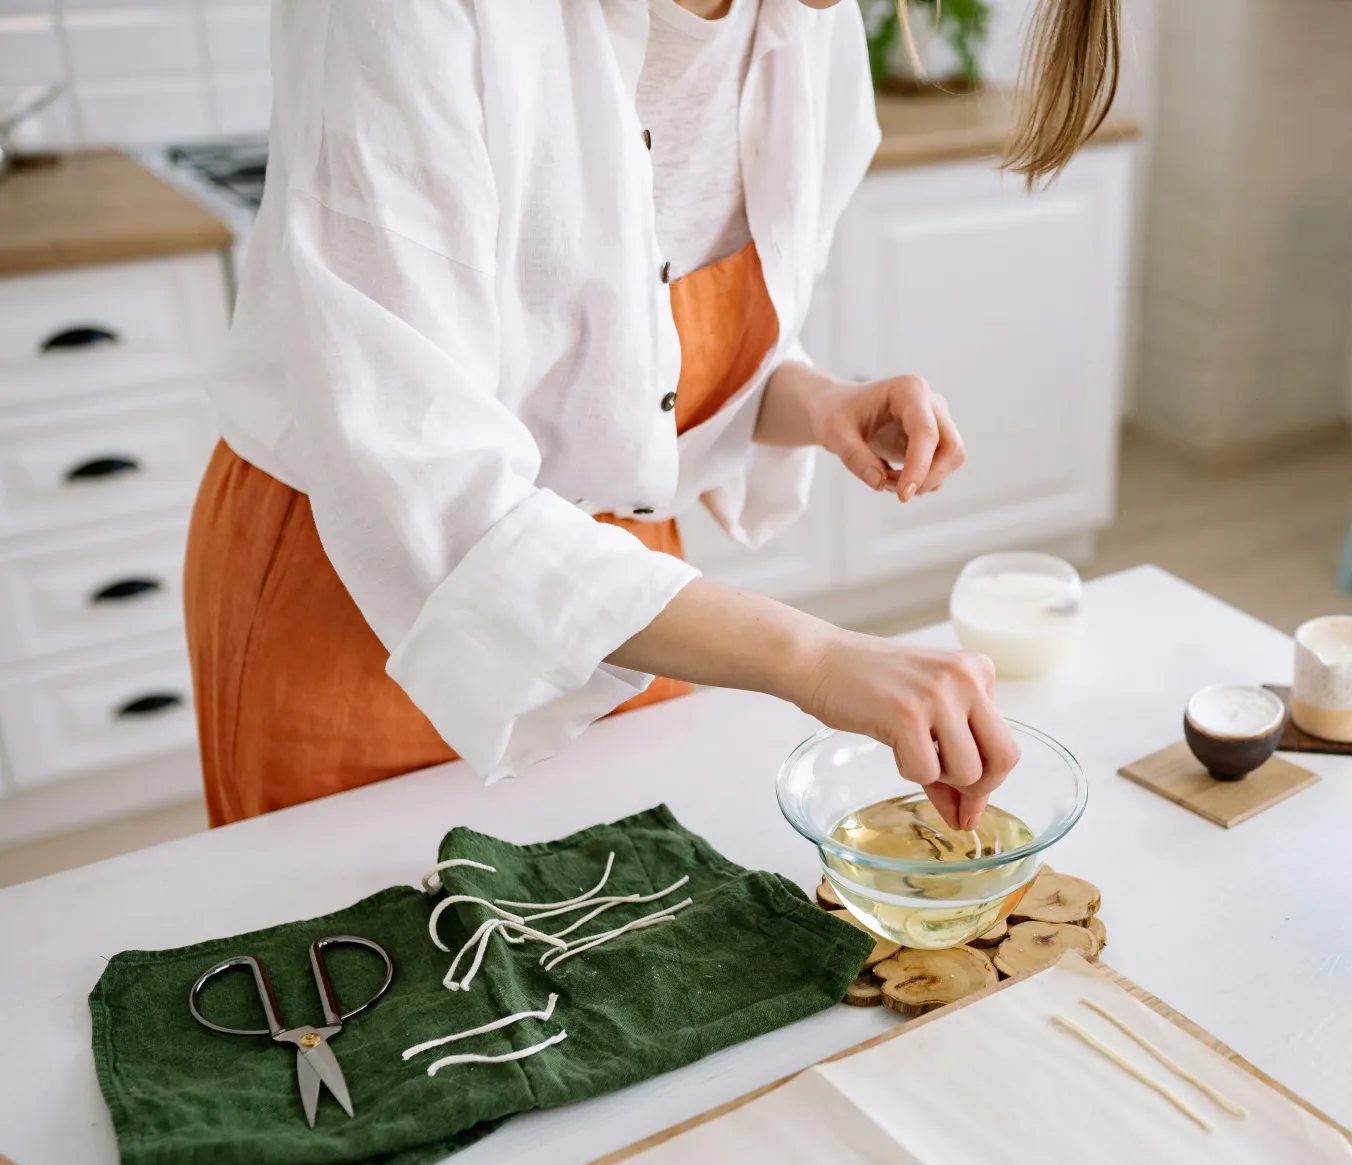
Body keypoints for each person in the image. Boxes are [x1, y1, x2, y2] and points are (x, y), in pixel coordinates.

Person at [187, 0, 1121, 831]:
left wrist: (811, 400)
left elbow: (629, 353)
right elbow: (431, 479)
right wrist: (818, 657)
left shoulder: (804, 18)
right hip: (361, 597)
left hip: (635, 603)